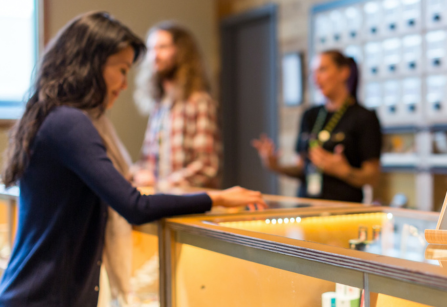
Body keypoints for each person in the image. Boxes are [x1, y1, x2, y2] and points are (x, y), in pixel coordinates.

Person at [0, 12, 265, 306]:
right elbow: (135, 206)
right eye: (122, 69)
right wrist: (217, 198)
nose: (125, 84)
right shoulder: (69, 123)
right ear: (92, 64)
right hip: (43, 297)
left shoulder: (56, 117)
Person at [252, 50, 382, 203]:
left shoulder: (364, 117)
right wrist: (274, 166)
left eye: (323, 70)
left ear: (344, 72)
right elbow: (301, 169)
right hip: (306, 208)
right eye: (313, 72)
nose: (316, 78)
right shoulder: (310, 115)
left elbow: (373, 177)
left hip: (343, 211)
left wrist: (344, 171)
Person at [132, 22, 220, 190]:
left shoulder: (199, 102)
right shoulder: (159, 106)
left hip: (190, 207)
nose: (154, 56)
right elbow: (147, 162)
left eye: (162, 47)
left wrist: (160, 184)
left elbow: (207, 167)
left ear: (181, 52)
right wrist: (138, 173)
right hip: (162, 204)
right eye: (151, 49)